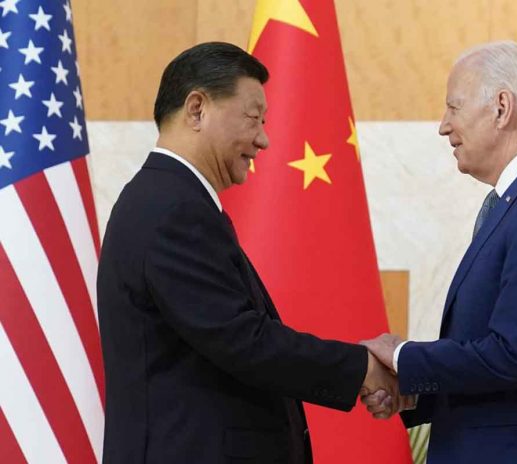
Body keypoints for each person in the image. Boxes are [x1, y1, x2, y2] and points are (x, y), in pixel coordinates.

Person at [97, 42, 396, 464]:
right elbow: (243, 340)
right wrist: (361, 368)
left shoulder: (170, 200)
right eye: (253, 118)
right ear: (197, 108)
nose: (264, 139)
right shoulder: (170, 208)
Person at [361, 41, 517, 463]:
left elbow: (516, 355)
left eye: (453, 108)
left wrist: (405, 357)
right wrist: (417, 392)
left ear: (501, 108)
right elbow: (502, 359)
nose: (444, 126)